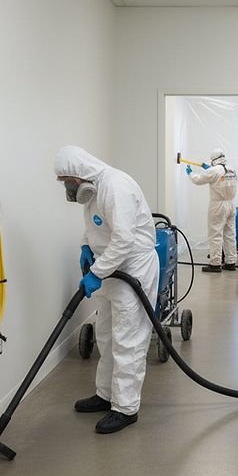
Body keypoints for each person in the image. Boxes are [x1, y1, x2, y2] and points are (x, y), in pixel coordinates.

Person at [54, 146, 160, 433]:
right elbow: (95, 227)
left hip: (133, 269)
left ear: (80, 175)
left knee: (128, 340)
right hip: (110, 268)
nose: (67, 187)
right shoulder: (92, 189)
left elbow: (124, 239)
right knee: (106, 336)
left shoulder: (115, 187)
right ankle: (105, 394)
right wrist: (85, 245)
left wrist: (96, 273)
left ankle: (125, 408)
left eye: (68, 181)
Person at [186, 148, 238, 272]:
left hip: (218, 206)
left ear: (214, 160)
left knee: (215, 234)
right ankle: (231, 262)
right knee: (230, 234)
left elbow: (197, 180)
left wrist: (190, 173)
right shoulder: (231, 169)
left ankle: (215, 264)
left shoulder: (213, 171)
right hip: (230, 204)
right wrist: (209, 170)